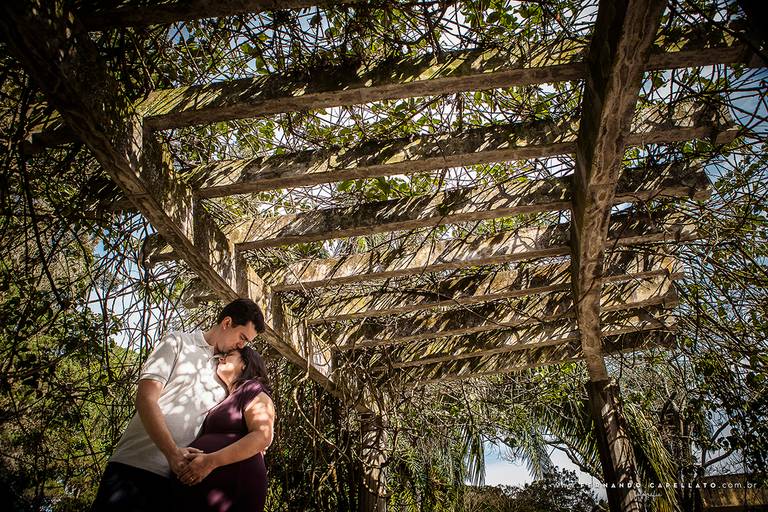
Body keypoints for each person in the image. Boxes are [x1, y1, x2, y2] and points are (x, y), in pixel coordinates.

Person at [91, 298, 266, 512]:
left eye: (247, 342)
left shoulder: (226, 371)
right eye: (242, 337)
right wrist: (172, 453)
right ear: (227, 322)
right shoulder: (178, 342)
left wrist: (255, 446)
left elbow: (234, 421)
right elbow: (145, 399)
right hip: (134, 464)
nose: (242, 345)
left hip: (177, 483)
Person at [177, 346, 275, 512]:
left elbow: (262, 436)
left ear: (245, 364)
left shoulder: (252, 388)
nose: (221, 359)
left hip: (237, 488)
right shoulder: (227, 397)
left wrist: (209, 462)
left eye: (229, 355)